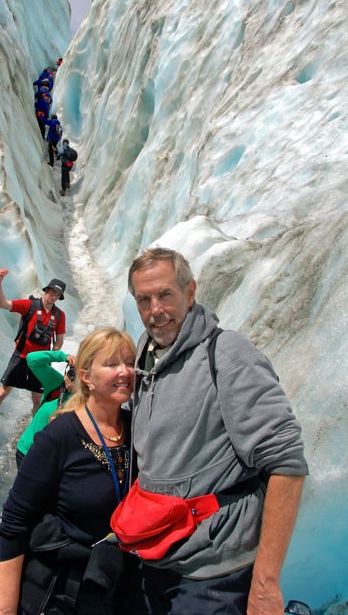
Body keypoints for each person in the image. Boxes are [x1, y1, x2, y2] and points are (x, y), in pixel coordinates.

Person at [126, 247, 309, 615]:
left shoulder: (227, 355)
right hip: (157, 559)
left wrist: (266, 581)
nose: (155, 310)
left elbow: (287, 465)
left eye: (165, 295)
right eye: (144, 300)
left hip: (215, 575)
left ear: (190, 292)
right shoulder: (148, 355)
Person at [0, 328, 146, 615]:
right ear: (86, 376)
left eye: (129, 362)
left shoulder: (137, 428)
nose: (125, 371)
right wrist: (5, 610)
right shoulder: (60, 435)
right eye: (112, 364)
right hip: (67, 591)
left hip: (120, 584)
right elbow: (15, 521)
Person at [0, 270, 66, 411]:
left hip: (40, 361)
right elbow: (2, 304)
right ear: (47, 290)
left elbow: (59, 340)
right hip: (21, 356)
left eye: (57, 295)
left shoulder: (59, 315)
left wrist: (51, 355)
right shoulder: (30, 306)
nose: (53, 296)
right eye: (52, 292)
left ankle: (35, 429)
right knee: (3, 391)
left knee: (37, 398)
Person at [15, 349, 75, 467]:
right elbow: (32, 359)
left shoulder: (91, 400)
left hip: (54, 462)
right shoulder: (57, 383)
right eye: (74, 371)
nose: (74, 376)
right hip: (27, 451)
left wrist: (78, 393)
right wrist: (64, 356)